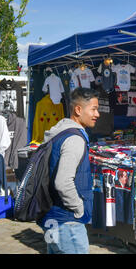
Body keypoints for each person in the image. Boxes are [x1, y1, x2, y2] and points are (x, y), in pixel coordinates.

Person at [38, 87, 100, 254]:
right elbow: (63, 182)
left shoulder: (60, 132)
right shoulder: (74, 139)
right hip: (68, 222)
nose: (97, 114)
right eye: (93, 109)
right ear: (78, 110)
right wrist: (79, 208)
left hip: (52, 218)